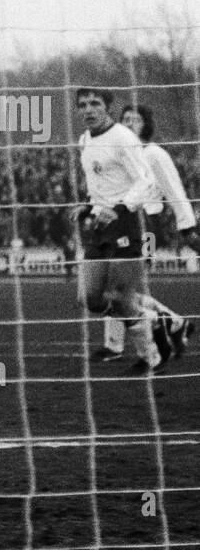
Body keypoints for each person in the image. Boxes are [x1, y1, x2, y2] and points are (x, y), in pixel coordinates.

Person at [73, 88, 184, 373]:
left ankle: (151, 357)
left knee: (122, 297)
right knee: (90, 299)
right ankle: (155, 320)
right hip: (100, 225)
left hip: (127, 223)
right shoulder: (85, 139)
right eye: (83, 104)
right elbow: (98, 185)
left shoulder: (123, 138)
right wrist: (88, 206)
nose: (89, 109)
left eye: (95, 103)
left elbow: (146, 181)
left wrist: (119, 208)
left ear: (107, 107)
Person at [95, 104, 196, 360]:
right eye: (125, 119)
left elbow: (175, 190)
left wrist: (187, 226)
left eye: (135, 120)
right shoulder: (118, 153)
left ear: (146, 125)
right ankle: (172, 323)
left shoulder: (153, 154)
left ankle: (142, 339)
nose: (129, 123)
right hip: (119, 224)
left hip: (145, 224)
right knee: (112, 285)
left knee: (121, 286)